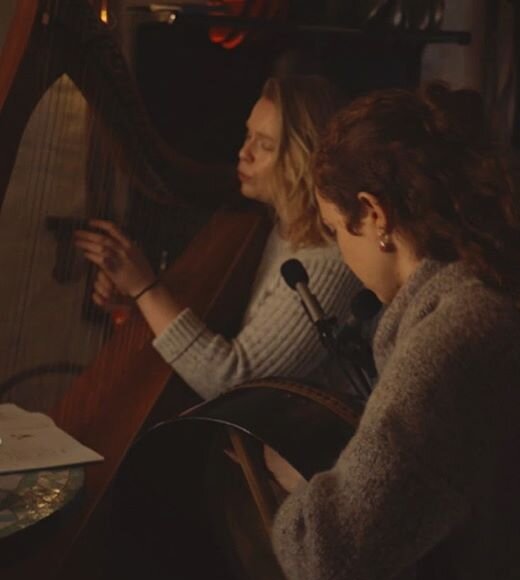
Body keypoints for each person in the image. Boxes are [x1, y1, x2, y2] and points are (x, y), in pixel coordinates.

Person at [267, 83, 520, 580]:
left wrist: (295, 490)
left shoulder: (461, 333)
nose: (338, 250)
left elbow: (334, 572)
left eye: (332, 227)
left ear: (374, 215)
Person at [74, 75, 361, 401]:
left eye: (265, 145)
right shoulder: (279, 230)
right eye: (248, 135)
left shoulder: (324, 262)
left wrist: (145, 289)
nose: (243, 152)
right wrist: (135, 303)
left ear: (305, 158)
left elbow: (233, 383)